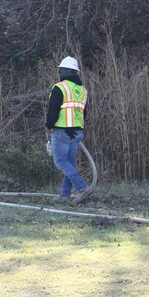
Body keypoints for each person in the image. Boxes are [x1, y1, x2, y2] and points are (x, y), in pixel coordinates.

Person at [46, 56, 93, 203]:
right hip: (77, 131)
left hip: (61, 131)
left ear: (64, 71)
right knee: (69, 164)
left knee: (60, 162)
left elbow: (53, 109)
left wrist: (49, 125)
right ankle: (65, 194)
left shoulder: (60, 88)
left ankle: (82, 187)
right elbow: (84, 112)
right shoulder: (82, 90)